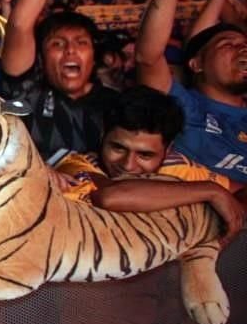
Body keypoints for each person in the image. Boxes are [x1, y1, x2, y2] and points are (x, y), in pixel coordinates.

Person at [52, 86, 243, 244]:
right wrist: (212, 191)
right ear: (103, 135)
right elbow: (111, 196)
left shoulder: (176, 165)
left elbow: (241, 191)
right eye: (118, 148)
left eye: (145, 155)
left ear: (168, 151)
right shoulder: (76, 165)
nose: (127, 165)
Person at [135, 0, 247, 186]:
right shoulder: (183, 109)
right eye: (228, 45)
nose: (242, 49)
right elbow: (148, 56)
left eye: (244, 45)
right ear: (196, 65)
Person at [0, 0, 119, 158]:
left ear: (94, 57)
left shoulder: (116, 106)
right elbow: (20, 24)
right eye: (57, 43)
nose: (70, 51)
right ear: (41, 57)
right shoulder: (27, 95)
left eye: (81, 43)